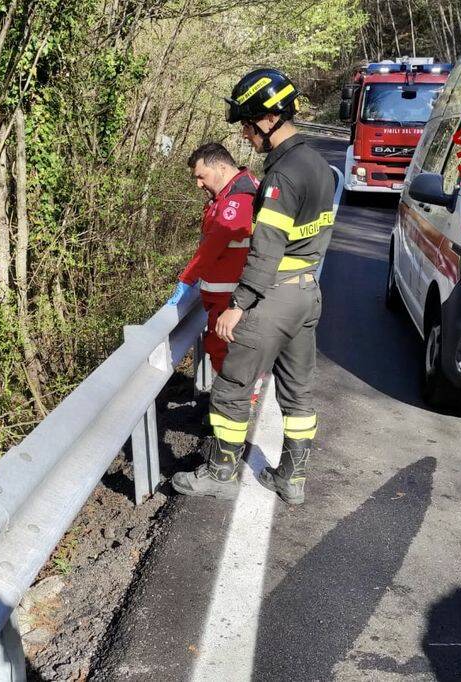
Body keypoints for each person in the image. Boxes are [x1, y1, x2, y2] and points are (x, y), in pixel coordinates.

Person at [171, 68, 335, 505]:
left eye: (247, 123)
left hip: (275, 296)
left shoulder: (282, 176)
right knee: (297, 392)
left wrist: (237, 306)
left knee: (231, 387)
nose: (245, 135)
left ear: (268, 118)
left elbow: (265, 251)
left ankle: (220, 476)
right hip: (308, 293)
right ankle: (292, 480)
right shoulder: (320, 166)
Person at [166, 142, 258, 374]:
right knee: (228, 356)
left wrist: (187, 279)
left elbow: (214, 243)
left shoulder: (238, 201)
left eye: (201, 176)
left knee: (227, 358)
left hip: (231, 300)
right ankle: (239, 401)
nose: (198, 184)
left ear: (221, 167)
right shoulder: (231, 194)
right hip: (228, 298)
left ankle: (237, 405)